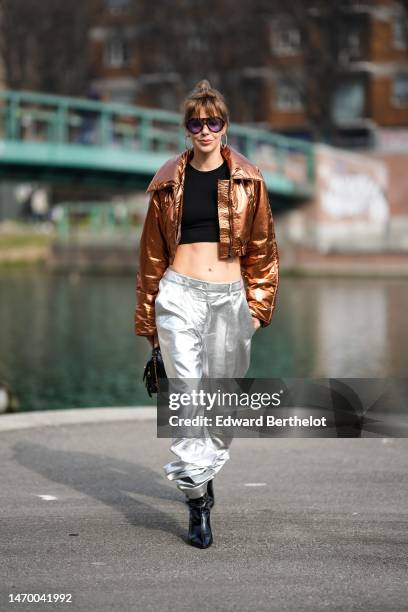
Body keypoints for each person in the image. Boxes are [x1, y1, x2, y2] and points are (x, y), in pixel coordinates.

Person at [134, 79, 279, 548]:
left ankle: (201, 474)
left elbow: (263, 249)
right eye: (195, 123)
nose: (204, 130)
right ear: (186, 128)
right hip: (179, 295)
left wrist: (256, 310)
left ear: (225, 126)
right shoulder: (165, 181)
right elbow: (151, 255)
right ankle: (198, 503)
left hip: (229, 299)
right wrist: (151, 325)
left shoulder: (249, 180)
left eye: (212, 122)